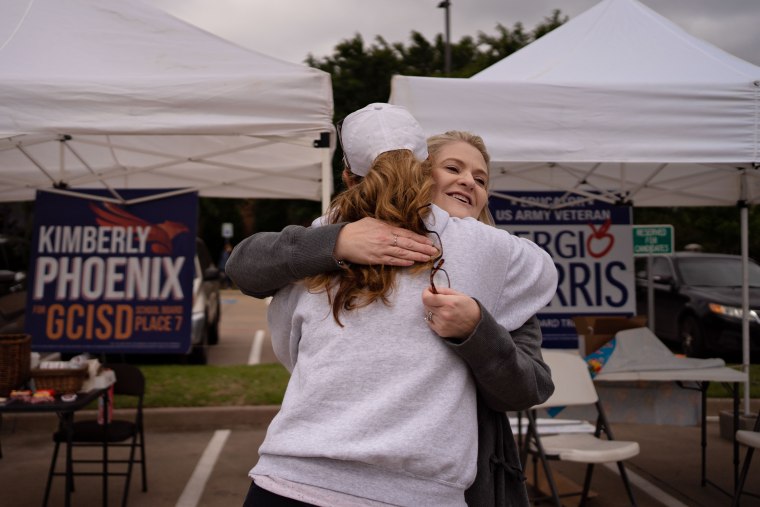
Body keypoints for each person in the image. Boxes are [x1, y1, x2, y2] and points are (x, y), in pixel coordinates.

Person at [227, 103, 558, 506]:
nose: (469, 182)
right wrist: (337, 241)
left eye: (481, 178)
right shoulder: (328, 239)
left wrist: (477, 330)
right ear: (419, 171)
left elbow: (528, 388)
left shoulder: (501, 272)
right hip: (298, 473)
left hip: (418, 486)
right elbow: (247, 264)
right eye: (453, 169)